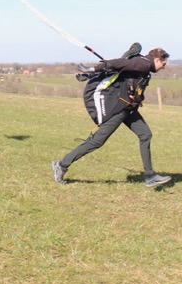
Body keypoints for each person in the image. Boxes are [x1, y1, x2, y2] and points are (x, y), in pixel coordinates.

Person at [53, 47, 172, 188]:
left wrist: (92, 73)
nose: (163, 67)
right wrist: (92, 69)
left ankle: (150, 175)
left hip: (129, 109)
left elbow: (118, 68)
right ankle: (61, 165)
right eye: (163, 64)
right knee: (97, 141)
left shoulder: (142, 64)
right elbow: (118, 63)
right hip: (118, 109)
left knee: (145, 134)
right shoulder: (143, 64)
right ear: (157, 59)